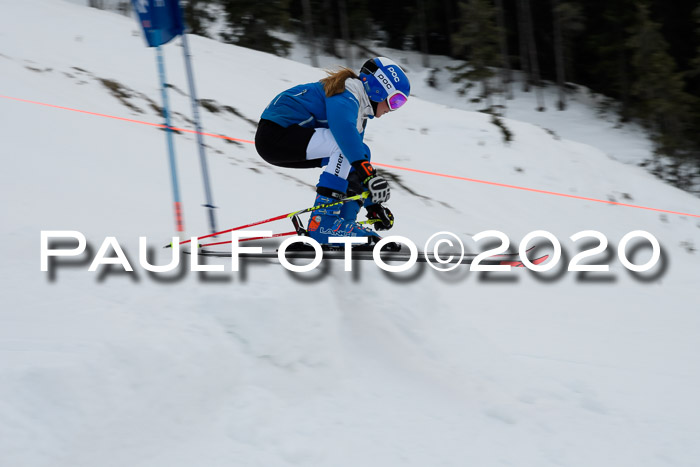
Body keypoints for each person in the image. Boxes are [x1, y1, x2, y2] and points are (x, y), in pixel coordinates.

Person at [254, 57, 410, 247]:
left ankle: (343, 224)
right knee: (345, 146)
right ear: (379, 90)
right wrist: (370, 177)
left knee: (360, 152)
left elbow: (356, 161)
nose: (394, 109)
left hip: (286, 139)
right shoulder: (346, 94)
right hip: (276, 135)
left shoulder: (359, 108)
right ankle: (324, 225)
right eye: (396, 100)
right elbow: (343, 132)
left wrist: (373, 205)